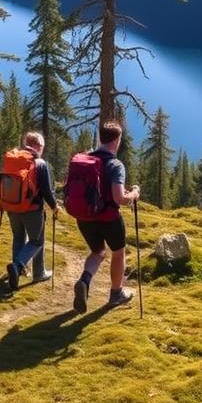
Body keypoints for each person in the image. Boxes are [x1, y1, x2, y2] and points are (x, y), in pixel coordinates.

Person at [72, 119, 140, 312]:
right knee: (118, 253)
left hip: (84, 217)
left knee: (98, 252)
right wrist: (134, 194)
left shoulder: (85, 159)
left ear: (100, 138)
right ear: (117, 140)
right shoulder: (115, 164)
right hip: (109, 218)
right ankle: (116, 293)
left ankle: (84, 281)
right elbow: (119, 198)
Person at [1, 131, 58, 290]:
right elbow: (46, 191)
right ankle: (21, 267)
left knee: (18, 236)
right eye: (42, 146)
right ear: (38, 146)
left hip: (12, 207)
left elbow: (2, 183)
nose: (42, 149)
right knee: (37, 241)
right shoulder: (39, 163)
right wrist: (54, 207)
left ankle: (18, 272)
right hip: (32, 209)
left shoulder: (13, 159)